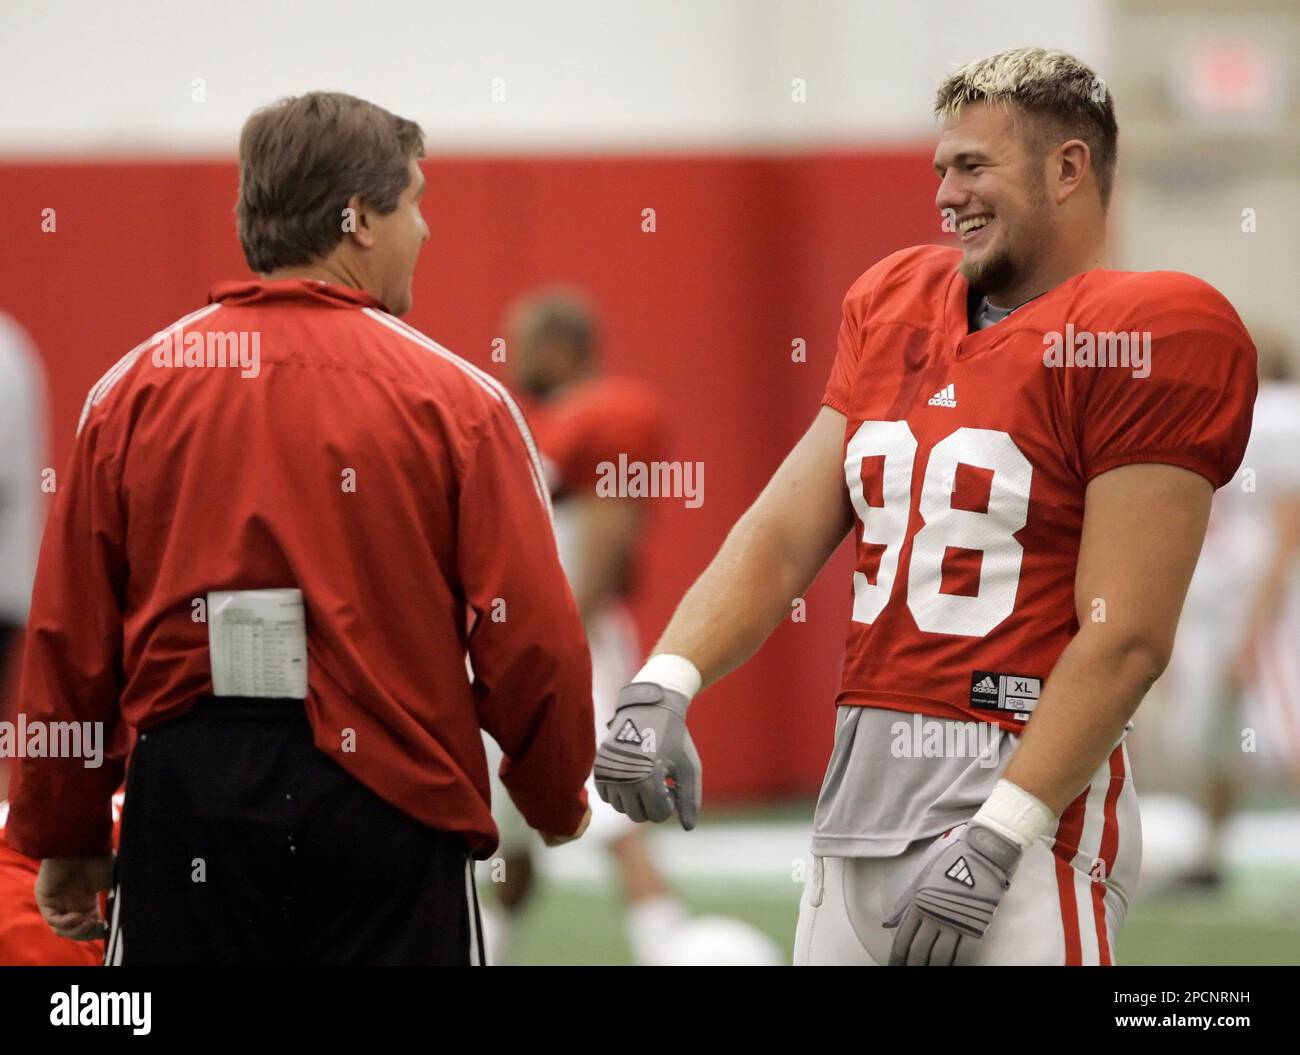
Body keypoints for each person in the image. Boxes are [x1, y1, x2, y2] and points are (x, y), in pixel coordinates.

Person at [594, 46, 1257, 966]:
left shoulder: (1149, 331)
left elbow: (1130, 635)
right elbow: (783, 533)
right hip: (854, 805)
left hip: (1018, 810)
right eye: (941, 168)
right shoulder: (896, 300)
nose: (947, 195)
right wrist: (664, 679)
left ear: (1068, 168)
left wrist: (1002, 831)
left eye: (974, 166)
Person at [6, 91, 594, 966]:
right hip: (392, 807)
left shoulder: (130, 392)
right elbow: (530, 637)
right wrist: (552, 793)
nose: (425, 231)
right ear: (356, 219)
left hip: (188, 806)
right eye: (415, 202)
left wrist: (63, 822)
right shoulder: (461, 403)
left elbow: (70, 640)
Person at [479, 286, 688, 965]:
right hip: (528, 639)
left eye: (526, 344)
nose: (514, 360)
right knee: (509, 823)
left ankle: (668, 942)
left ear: (562, 348)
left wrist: (557, 643)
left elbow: (605, 535)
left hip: (570, 639)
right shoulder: (554, 418)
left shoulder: (604, 413)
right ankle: (488, 943)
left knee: (601, 785)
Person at [1161, 335, 1300, 887]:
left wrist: (1255, 623)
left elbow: (1288, 531)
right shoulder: (1232, 416)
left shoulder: (1276, 417)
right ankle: (1210, 852)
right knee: (1219, 735)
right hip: (1222, 601)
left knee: (1284, 728)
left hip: (1269, 602)